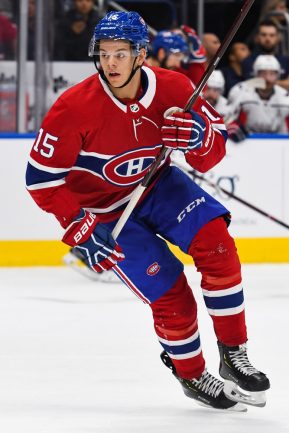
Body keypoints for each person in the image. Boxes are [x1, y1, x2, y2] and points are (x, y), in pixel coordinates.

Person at [25, 10, 270, 411]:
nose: (110, 62)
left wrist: (198, 136)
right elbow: (41, 179)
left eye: (121, 53)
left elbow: (214, 150)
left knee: (218, 245)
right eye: (103, 53)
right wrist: (79, 226)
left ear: (141, 55)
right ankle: (191, 375)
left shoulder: (175, 87)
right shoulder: (73, 108)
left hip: (158, 186)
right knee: (171, 295)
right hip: (103, 211)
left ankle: (234, 352)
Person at [228, 54, 289, 133]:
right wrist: (233, 128)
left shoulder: (285, 97)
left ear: (278, 76)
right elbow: (227, 119)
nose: (267, 78)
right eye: (263, 73)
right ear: (256, 74)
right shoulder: (240, 91)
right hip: (245, 142)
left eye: (272, 74)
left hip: (278, 143)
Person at [242, 19, 289, 89]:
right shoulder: (248, 61)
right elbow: (250, 84)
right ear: (257, 38)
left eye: (272, 35)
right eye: (263, 35)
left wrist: (265, 82)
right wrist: (280, 83)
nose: (268, 39)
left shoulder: (286, 60)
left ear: (278, 38)